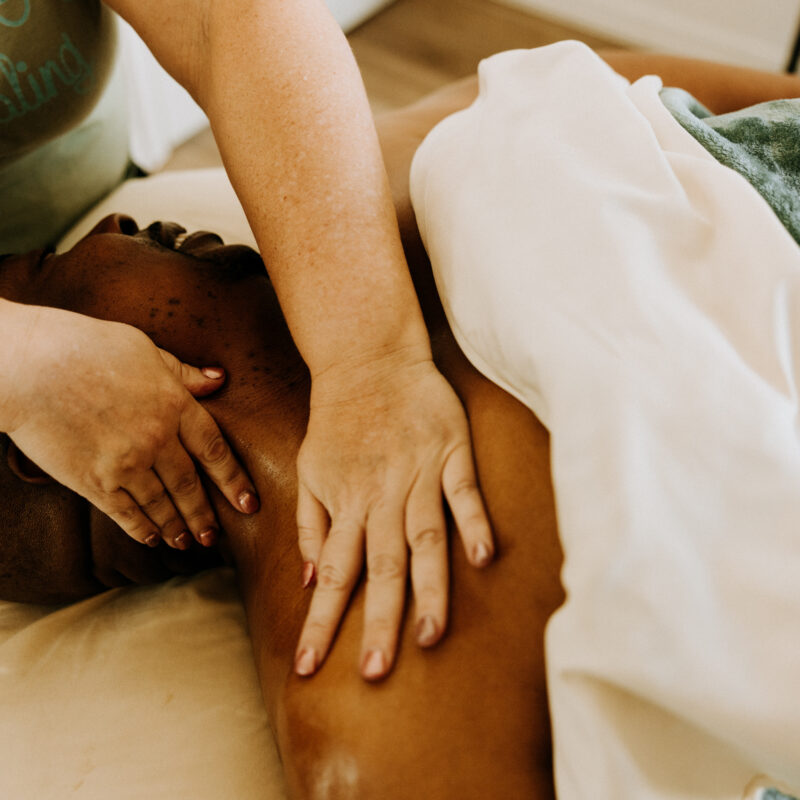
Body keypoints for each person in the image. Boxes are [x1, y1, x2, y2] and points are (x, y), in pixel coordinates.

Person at [4, 46, 800, 798]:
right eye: (45, 269)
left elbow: (620, 84)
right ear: (53, 443)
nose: (111, 226)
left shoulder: (364, 200)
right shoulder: (375, 681)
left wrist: (373, 364)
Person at [0, 0, 494, 682]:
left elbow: (225, 17)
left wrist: (371, 364)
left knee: (470, 146)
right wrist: (20, 363)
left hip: (82, 210)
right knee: (218, 347)